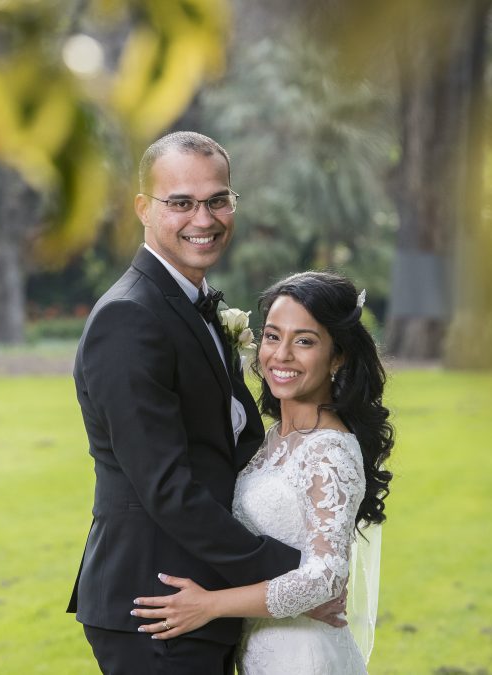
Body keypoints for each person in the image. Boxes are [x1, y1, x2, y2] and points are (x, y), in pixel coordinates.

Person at [67, 132, 345, 674]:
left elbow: (227, 452)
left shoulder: (191, 305)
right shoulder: (130, 317)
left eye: (218, 199)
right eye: (182, 203)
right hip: (158, 604)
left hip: (206, 597)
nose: (205, 217)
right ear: (144, 208)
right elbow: (166, 487)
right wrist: (292, 574)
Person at [129, 271, 395, 673]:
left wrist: (209, 605)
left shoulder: (330, 450)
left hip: (303, 657)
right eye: (272, 336)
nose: (281, 355)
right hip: (258, 651)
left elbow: (326, 578)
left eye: (304, 341)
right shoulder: (269, 439)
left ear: (337, 356)